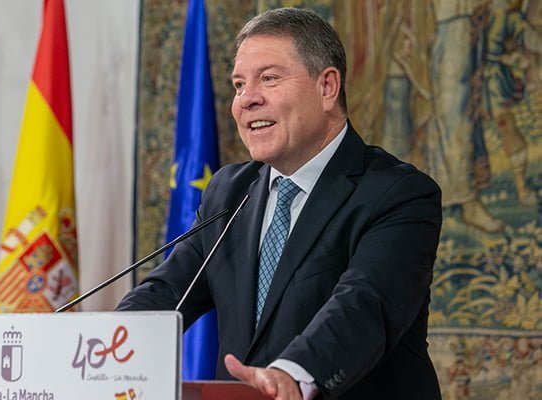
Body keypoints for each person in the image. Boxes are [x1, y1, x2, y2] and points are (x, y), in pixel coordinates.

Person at [117, 7, 442, 400]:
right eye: (239, 85)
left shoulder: (399, 194)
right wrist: (99, 347)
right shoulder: (229, 191)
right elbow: (166, 292)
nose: (247, 100)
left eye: (269, 78)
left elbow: (364, 304)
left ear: (327, 87)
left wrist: (293, 374)